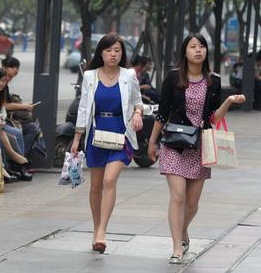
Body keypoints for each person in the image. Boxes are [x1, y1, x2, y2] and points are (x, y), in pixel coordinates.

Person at [147, 33, 246, 264]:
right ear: (185, 51)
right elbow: (162, 113)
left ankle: (183, 230)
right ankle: (176, 247)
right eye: (193, 46)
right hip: (174, 144)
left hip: (200, 145)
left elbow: (213, 117)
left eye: (202, 46)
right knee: (178, 196)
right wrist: (152, 141)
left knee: (192, 204)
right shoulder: (173, 78)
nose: (198, 50)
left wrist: (229, 102)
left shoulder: (213, 80)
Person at [70, 33, 144, 254]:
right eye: (109, 50)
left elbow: (137, 102)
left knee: (110, 181)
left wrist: (138, 113)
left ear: (122, 54)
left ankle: (102, 230)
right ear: (101, 53)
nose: (113, 54)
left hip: (121, 134)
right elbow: (84, 108)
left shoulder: (129, 75)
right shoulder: (90, 76)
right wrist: (77, 138)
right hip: (96, 134)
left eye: (117, 51)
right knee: (95, 186)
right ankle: (96, 228)